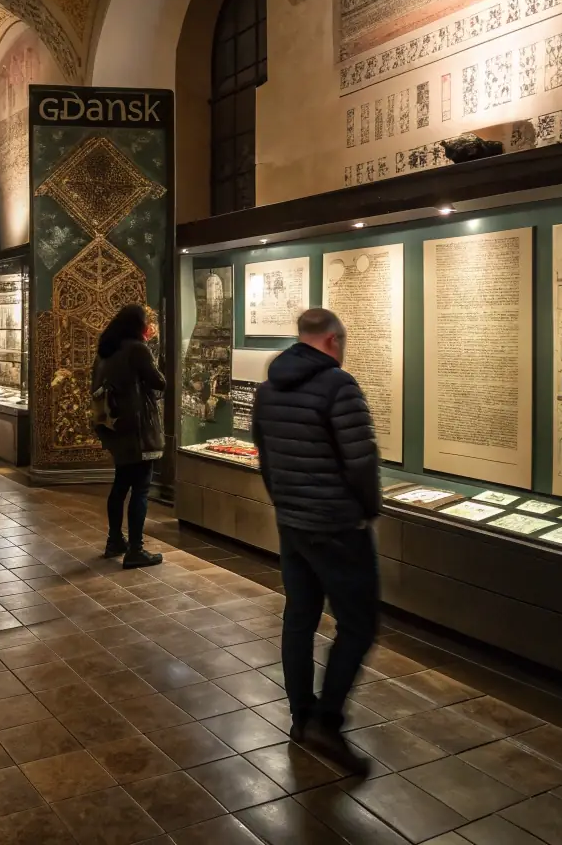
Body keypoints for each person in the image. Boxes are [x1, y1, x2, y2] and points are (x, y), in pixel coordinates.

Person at [252, 308, 380, 776]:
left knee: (299, 619)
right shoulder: (338, 386)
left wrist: (285, 505)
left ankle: (301, 717)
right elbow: (361, 459)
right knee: (359, 624)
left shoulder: (268, 391)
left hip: (293, 524)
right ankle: (327, 721)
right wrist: (366, 511)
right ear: (331, 341)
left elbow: (265, 458)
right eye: (341, 343)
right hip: (337, 526)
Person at [90, 304, 165, 570]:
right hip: (138, 429)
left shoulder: (106, 349)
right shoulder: (137, 349)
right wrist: (151, 350)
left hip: (115, 426)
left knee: (121, 484)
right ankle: (136, 549)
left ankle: (114, 540)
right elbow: (159, 383)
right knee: (141, 488)